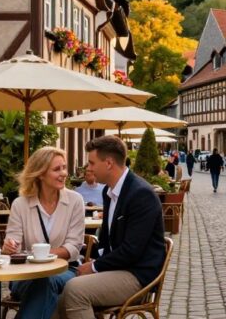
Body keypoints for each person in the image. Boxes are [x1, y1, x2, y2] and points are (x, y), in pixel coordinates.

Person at [56, 136, 166, 319]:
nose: (88, 168)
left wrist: (95, 267)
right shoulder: (110, 192)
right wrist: (90, 260)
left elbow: (132, 250)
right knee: (59, 298)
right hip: (118, 269)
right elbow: (107, 243)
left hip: (138, 275)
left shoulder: (141, 194)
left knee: (75, 291)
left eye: (91, 162)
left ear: (108, 163)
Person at [1, 147, 84, 319]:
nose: (63, 173)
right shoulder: (20, 204)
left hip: (66, 270)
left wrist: (41, 256)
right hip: (25, 273)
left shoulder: (75, 201)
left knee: (46, 282)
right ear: (40, 174)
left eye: (64, 167)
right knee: (42, 284)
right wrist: (9, 246)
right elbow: (13, 242)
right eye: (56, 169)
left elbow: (74, 247)